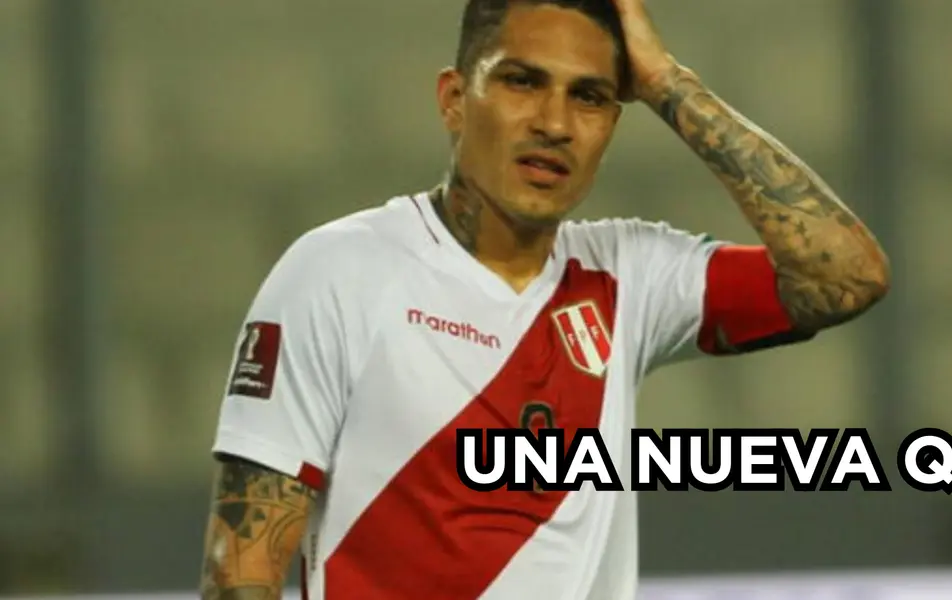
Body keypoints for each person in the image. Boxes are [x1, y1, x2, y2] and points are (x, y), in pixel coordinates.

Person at [198, 0, 890, 598]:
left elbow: (847, 276)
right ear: (452, 99)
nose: (555, 123)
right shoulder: (336, 272)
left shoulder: (631, 273)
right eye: (523, 82)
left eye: (589, 97)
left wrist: (666, 84)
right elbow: (242, 568)